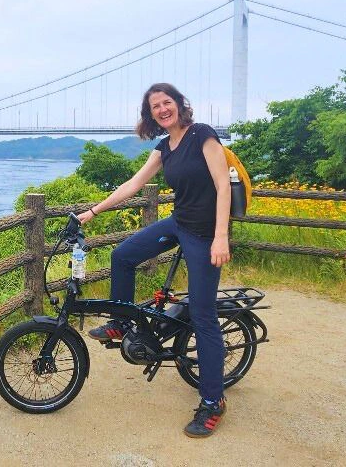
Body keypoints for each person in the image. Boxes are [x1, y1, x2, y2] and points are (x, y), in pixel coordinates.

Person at [75, 82, 231, 438]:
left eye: (167, 102)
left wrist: (221, 236)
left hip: (205, 233)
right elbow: (133, 184)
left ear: (179, 104)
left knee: (203, 315)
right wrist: (94, 211)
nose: (162, 109)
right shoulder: (165, 148)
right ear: (151, 115)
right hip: (178, 223)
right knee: (123, 255)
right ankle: (121, 322)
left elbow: (223, 186)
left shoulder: (202, 135)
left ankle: (212, 402)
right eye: (155, 106)